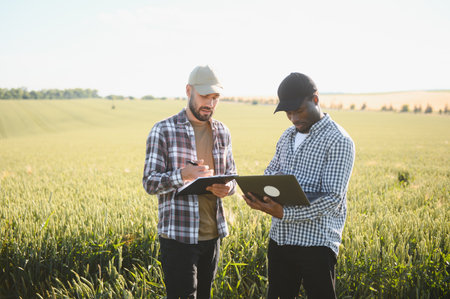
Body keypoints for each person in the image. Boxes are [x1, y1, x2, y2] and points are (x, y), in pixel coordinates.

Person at [243, 72, 355, 299]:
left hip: (317, 243)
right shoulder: (286, 136)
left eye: (298, 111)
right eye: (288, 113)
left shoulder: (339, 140)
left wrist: (284, 212)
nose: (294, 118)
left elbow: (332, 198)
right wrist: (261, 198)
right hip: (281, 238)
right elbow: (270, 173)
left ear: (315, 99)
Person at [143, 65, 237, 299]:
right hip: (178, 237)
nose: (211, 103)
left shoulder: (223, 132)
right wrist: (182, 175)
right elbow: (149, 182)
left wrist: (227, 188)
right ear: (188, 91)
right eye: (205, 96)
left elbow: (232, 175)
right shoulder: (163, 130)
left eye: (215, 97)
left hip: (212, 234)